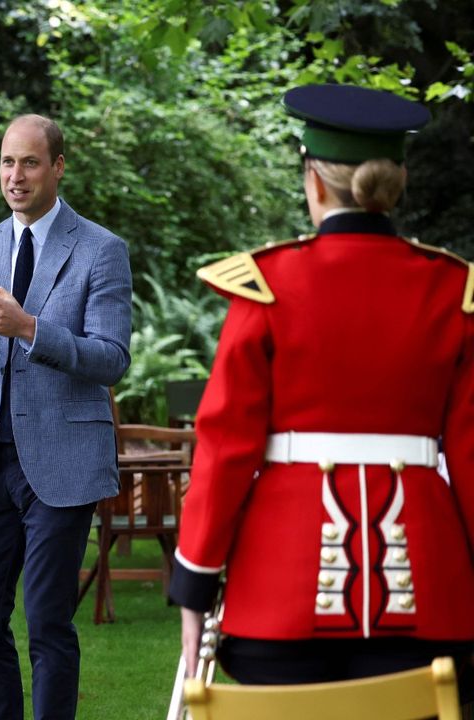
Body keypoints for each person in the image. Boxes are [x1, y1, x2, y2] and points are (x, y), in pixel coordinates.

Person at [170, 84, 474, 689]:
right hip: (432, 607)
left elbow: (225, 448)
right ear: (396, 181)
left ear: (314, 181)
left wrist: (196, 583)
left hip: (276, 606)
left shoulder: (267, 285)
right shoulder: (453, 290)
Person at [0, 114, 132, 719]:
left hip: (63, 465)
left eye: (30, 163)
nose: (16, 176)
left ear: (58, 167)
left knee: (46, 623)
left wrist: (31, 329)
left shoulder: (101, 250)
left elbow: (112, 359)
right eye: (8, 163)